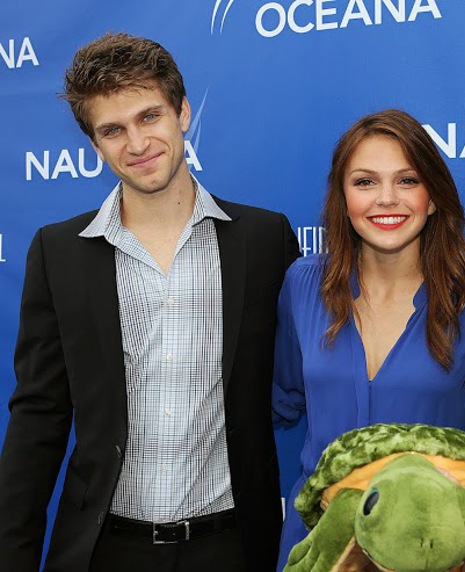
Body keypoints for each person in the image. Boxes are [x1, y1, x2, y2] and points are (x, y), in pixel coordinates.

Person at [0, 32, 299, 572]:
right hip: (102, 549)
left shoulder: (264, 240)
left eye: (149, 117)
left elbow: (334, 336)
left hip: (233, 547)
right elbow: (39, 418)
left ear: (182, 113)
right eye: (113, 130)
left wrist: (458, 281)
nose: (136, 144)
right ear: (95, 145)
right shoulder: (59, 252)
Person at [272, 109, 465, 570]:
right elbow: (281, 399)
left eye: (407, 180)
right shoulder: (303, 285)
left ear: (434, 197)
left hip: (425, 552)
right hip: (317, 548)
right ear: (342, 199)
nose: (386, 199)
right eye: (364, 182)